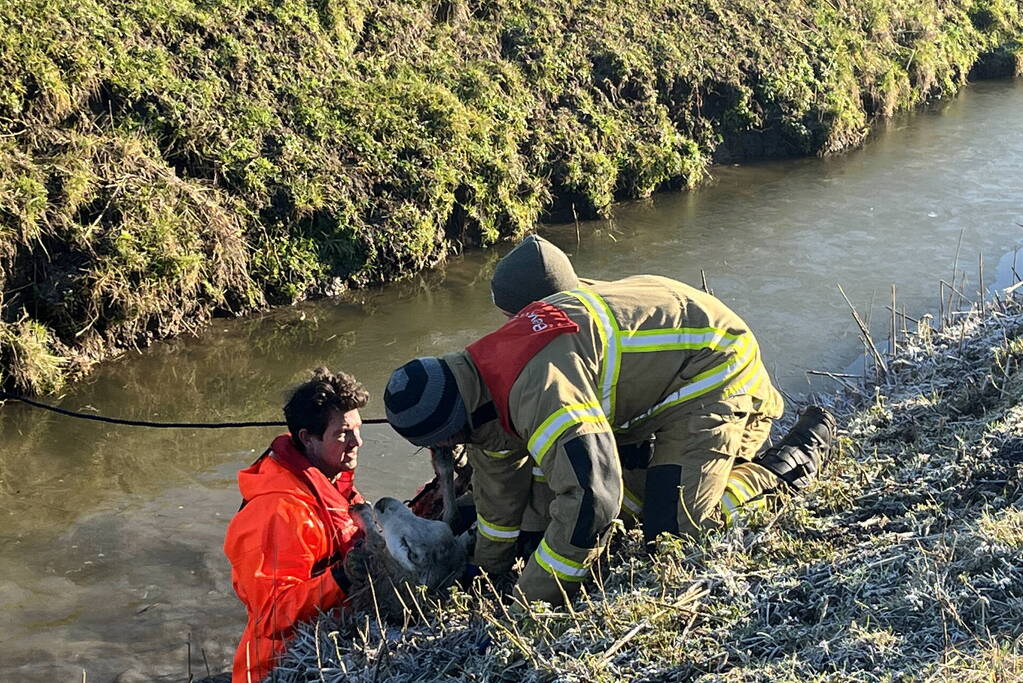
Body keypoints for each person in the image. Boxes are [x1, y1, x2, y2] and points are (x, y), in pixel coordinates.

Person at [384, 274, 833, 605]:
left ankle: (794, 457)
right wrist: (485, 571)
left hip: (713, 368)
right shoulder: (476, 381)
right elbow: (500, 493)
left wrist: (534, 601)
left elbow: (594, 499)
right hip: (664, 368)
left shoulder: (538, 389)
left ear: (454, 426)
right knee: (599, 501)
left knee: (672, 536)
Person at [223, 367, 367, 683]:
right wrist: (343, 576)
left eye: (358, 428)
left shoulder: (331, 478)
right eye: (343, 433)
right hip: (280, 667)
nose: (357, 441)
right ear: (307, 438)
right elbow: (273, 615)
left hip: (328, 650)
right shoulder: (278, 511)